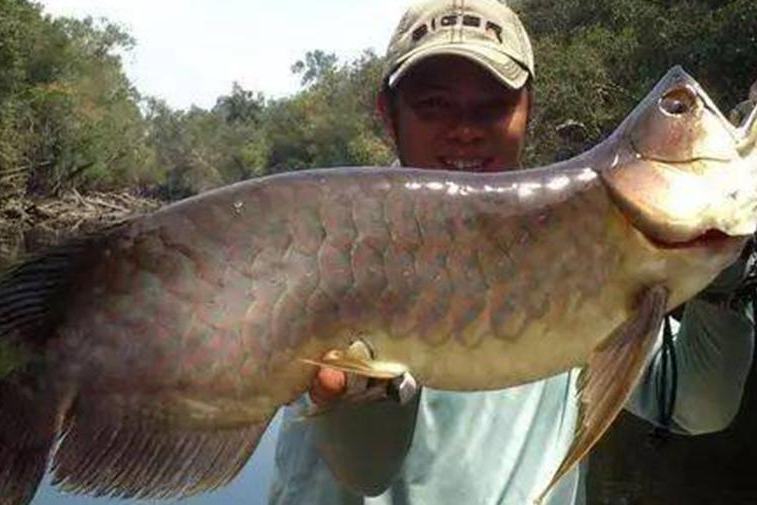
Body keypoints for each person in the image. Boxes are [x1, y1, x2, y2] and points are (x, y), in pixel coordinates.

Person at [268, 1, 756, 504]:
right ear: (387, 115)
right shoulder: (333, 246)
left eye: (492, 105)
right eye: (434, 104)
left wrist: (724, 273)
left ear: (528, 110)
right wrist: (358, 400)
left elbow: (696, 406)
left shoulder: (581, 255)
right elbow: (365, 471)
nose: (465, 128)